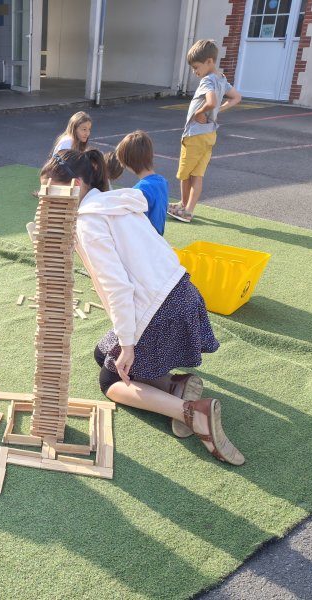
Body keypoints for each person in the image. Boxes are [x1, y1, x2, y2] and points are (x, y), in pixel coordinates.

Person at [39, 149, 244, 465]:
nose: (47, 199)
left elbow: (117, 286)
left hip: (159, 311)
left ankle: (194, 413)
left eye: (51, 191)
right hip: (182, 295)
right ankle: (174, 385)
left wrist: (128, 344)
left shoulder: (88, 222)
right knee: (101, 354)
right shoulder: (116, 202)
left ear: (76, 185)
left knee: (110, 382)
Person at [169, 39, 241, 223]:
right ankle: (188, 208)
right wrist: (218, 110)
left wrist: (200, 112)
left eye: (196, 67)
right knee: (197, 174)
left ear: (209, 61)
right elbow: (236, 97)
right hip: (210, 134)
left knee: (185, 173)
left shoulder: (207, 80)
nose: (195, 72)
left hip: (195, 134)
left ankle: (184, 208)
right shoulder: (221, 79)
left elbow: (211, 101)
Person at [115, 130, 169, 235]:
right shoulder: (162, 182)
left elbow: (134, 227)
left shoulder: (139, 191)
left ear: (128, 162)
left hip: (144, 241)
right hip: (157, 239)